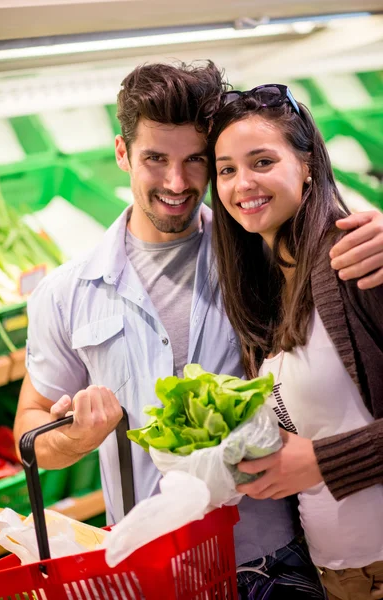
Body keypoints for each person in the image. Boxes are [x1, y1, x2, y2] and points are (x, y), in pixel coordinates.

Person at [13, 63, 383, 598]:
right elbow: (30, 428)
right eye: (155, 160)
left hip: (276, 559)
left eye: (196, 162)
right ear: (122, 153)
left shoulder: (262, 249)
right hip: (153, 570)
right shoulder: (68, 292)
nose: (177, 183)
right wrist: (73, 438)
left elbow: (322, 229)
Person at [208, 83, 383, 599]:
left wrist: (323, 462)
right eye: (226, 169)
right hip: (338, 575)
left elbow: (322, 452)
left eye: (262, 161)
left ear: (307, 164)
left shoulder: (356, 258)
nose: (243, 183)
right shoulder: (267, 283)